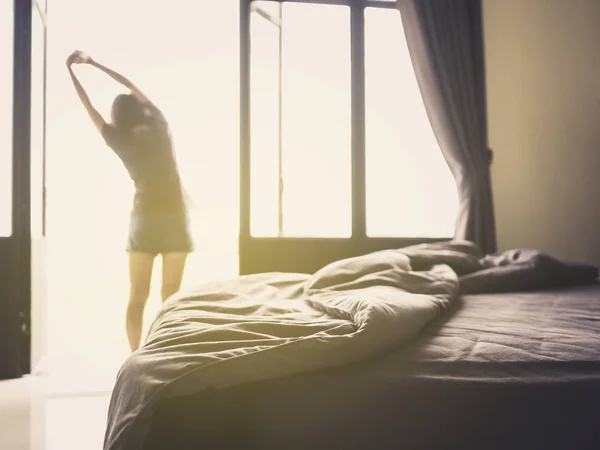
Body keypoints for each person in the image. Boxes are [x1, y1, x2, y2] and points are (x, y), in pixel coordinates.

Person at [66, 50, 193, 352]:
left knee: (137, 298)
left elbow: (89, 107)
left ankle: (136, 356)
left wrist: (71, 71)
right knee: (171, 297)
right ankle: (168, 352)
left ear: (117, 118)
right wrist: (94, 64)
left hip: (144, 219)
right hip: (175, 216)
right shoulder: (160, 127)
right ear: (139, 110)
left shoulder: (118, 139)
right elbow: (130, 84)